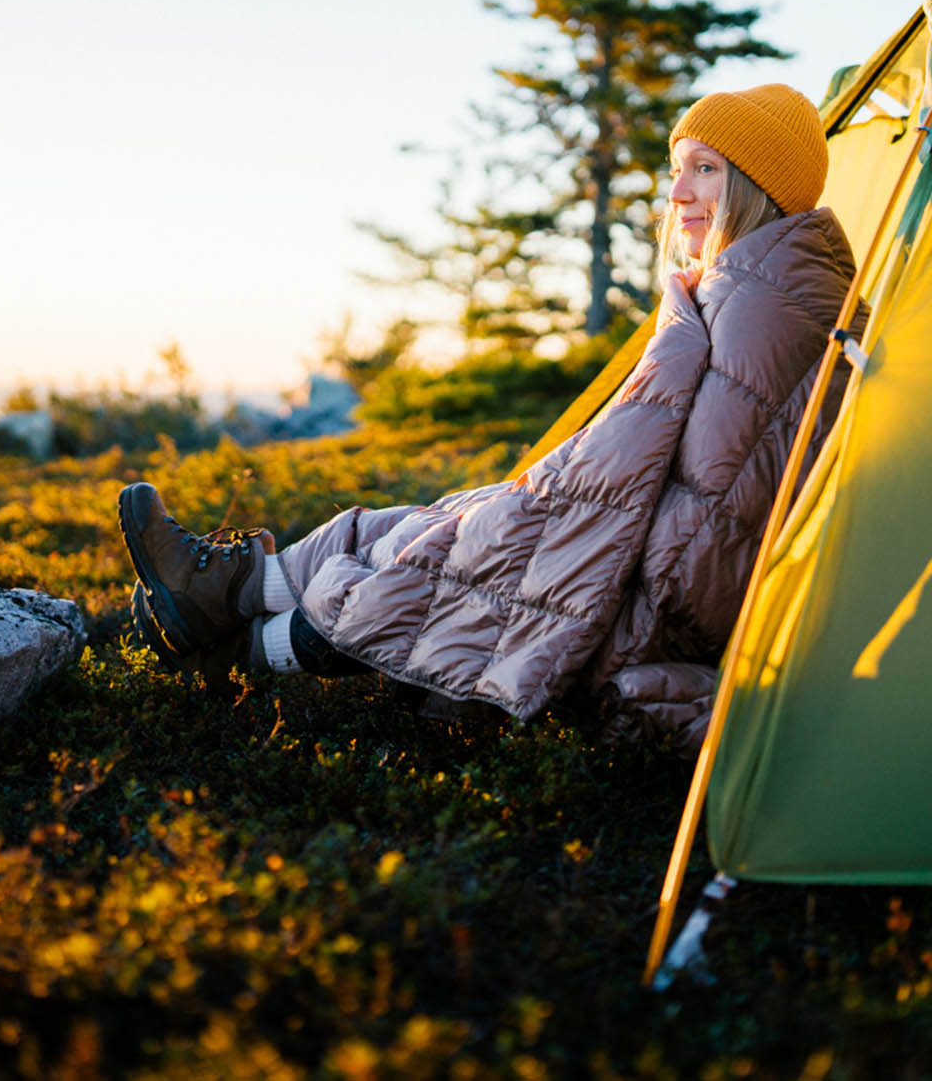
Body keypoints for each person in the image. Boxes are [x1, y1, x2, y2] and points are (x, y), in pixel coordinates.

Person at [118, 84, 862, 754]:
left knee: (448, 546)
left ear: (759, 186)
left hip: (658, 607)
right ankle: (226, 591)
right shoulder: (757, 284)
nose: (679, 194)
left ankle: (241, 646)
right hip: (649, 563)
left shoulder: (767, 308)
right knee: (433, 521)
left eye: (706, 168)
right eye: (678, 169)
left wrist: (546, 535)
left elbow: (701, 525)